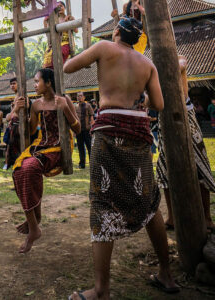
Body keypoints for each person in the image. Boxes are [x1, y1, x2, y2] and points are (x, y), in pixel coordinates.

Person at [64, 17, 179, 299]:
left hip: (109, 127)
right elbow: (159, 104)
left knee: (103, 202)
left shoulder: (104, 47)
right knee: (148, 202)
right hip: (138, 129)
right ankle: (166, 274)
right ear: (136, 37)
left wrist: (96, 58)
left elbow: (68, 68)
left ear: (116, 32)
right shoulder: (147, 64)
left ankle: (101, 289)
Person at [12, 68, 81, 253]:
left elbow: (79, 129)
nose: (34, 85)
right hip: (40, 145)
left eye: (37, 81)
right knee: (18, 170)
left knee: (30, 167)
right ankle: (35, 222)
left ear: (48, 83)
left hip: (59, 147)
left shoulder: (64, 100)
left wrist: (65, 109)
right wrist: (18, 111)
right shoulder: (36, 105)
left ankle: (33, 227)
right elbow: (31, 130)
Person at [157, 56, 215, 230]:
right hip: (164, 114)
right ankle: (172, 217)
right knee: (164, 169)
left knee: (199, 168)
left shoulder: (179, 58)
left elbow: (180, 65)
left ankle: (206, 217)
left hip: (185, 113)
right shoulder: (152, 63)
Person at [42, 1, 78, 69]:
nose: (59, 8)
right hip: (54, 44)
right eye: (57, 7)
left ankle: (56, 72)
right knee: (47, 55)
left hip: (65, 43)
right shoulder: (53, 20)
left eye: (61, 6)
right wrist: (45, 21)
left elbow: (76, 31)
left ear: (65, 8)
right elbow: (47, 33)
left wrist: (71, 21)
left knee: (57, 54)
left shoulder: (69, 18)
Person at [75, 92, 94, 169]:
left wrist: (91, 129)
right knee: (80, 147)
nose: (79, 97)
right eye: (78, 96)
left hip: (87, 130)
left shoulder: (88, 105)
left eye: (81, 96)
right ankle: (82, 164)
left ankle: (92, 163)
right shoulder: (75, 107)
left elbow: (92, 118)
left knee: (89, 147)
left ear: (84, 97)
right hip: (79, 130)